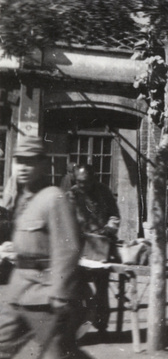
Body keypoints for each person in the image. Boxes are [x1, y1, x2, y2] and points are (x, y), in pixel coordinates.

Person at [0, 135, 86, 359]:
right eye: (19, 161)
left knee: (56, 354)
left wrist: (60, 293)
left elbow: (68, 248)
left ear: (43, 164)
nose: (23, 167)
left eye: (30, 161)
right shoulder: (23, 200)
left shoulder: (54, 198)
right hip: (18, 292)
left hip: (44, 295)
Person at [68, 164, 120, 334]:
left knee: (102, 287)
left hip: (101, 246)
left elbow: (114, 215)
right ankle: (76, 325)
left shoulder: (104, 192)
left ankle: (102, 325)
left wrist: (110, 227)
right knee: (77, 288)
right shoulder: (72, 194)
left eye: (86, 182)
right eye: (80, 182)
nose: (83, 185)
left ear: (94, 178)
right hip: (79, 247)